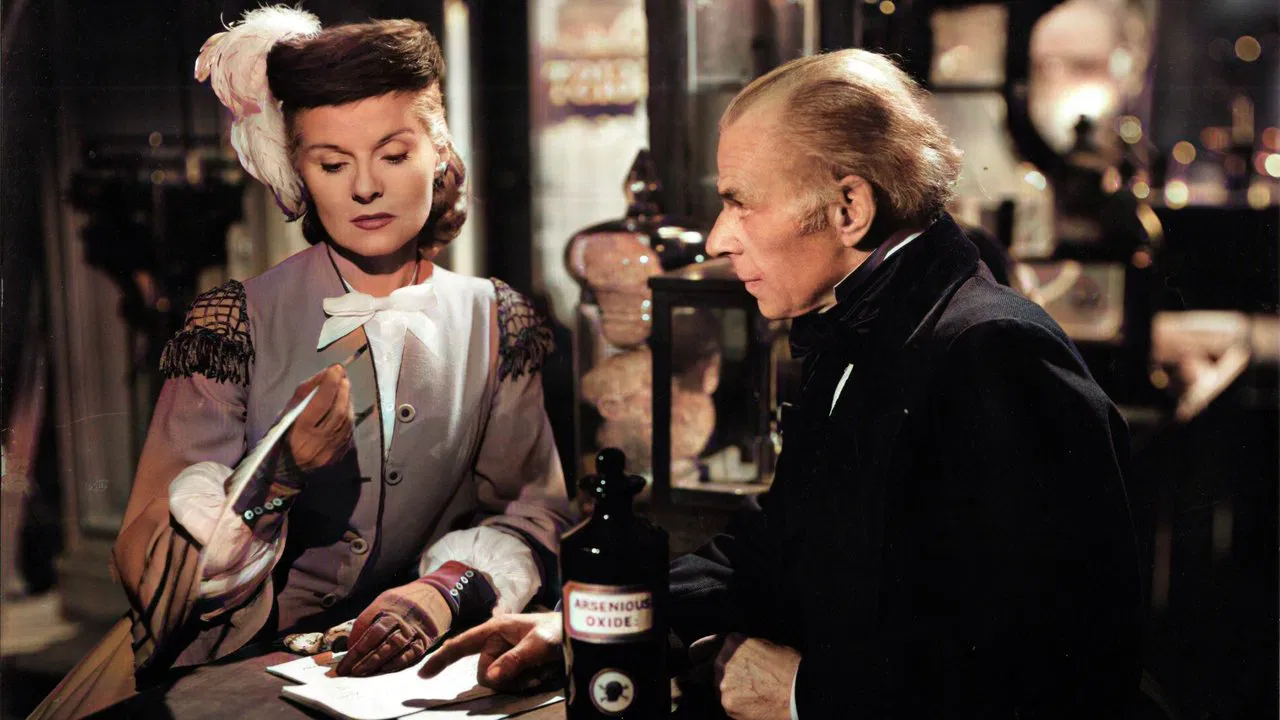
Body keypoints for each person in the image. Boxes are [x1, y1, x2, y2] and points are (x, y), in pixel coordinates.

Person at [419, 49, 1143, 719]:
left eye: (740, 202)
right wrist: (595, 619)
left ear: (850, 208)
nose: (718, 239)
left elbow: (1058, 664)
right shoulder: (872, 324)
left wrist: (804, 692)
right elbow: (780, 544)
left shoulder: (992, 353)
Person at [31, 8, 572, 718]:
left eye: (393, 154)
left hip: (407, 675)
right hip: (235, 664)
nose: (365, 188)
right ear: (299, 171)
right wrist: (278, 472)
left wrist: (442, 593)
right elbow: (148, 564)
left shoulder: (495, 320)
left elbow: (534, 511)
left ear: (439, 150)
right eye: (332, 163)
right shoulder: (234, 324)